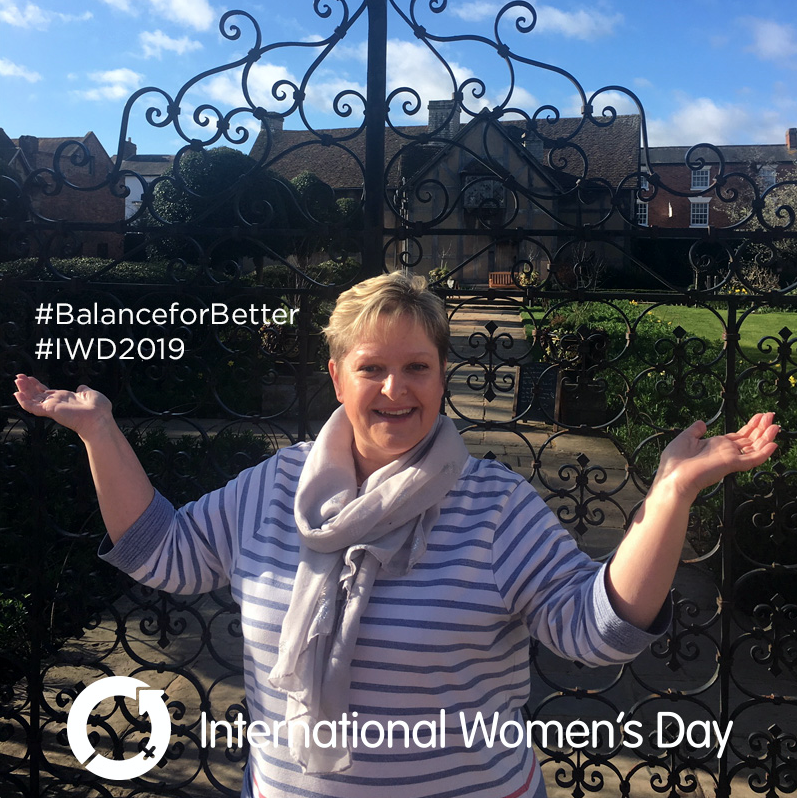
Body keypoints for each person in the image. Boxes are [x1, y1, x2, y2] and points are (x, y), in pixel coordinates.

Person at [13, 272, 778, 798]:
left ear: (442, 374)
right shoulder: (273, 488)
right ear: (336, 375)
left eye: (416, 365)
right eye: (371, 366)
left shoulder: (492, 506)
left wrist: (671, 491)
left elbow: (595, 629)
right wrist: (98, 432)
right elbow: (162, 552)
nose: (394, 388)